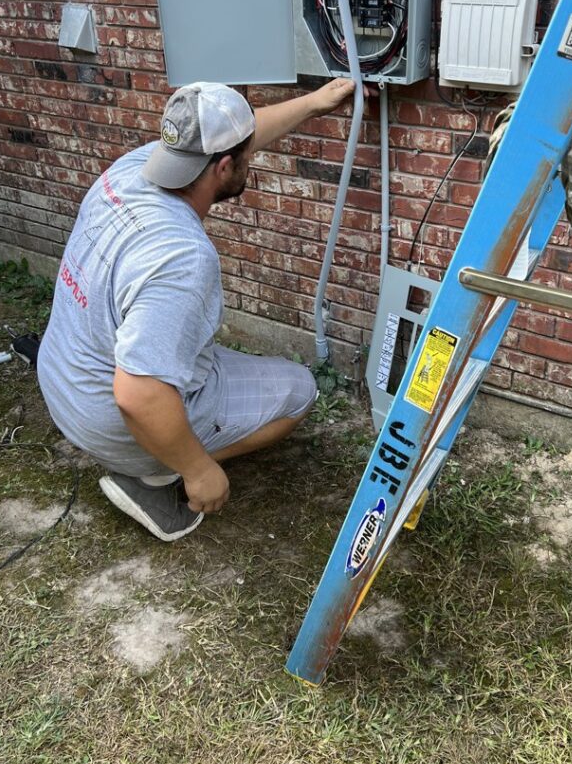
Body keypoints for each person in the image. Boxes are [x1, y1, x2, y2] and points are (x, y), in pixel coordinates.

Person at [37, 78, 356, 541]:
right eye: (244, 159)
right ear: (224, 167)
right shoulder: (182, 257)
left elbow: (238, 139)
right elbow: (138, 395)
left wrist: (313, 104)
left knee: (180, 354)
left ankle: (161, 451)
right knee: (297, 390)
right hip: (113, 417)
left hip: (64, 382)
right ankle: (155, 477)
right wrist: (198, 469)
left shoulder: (131, 169)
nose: (250, 159)